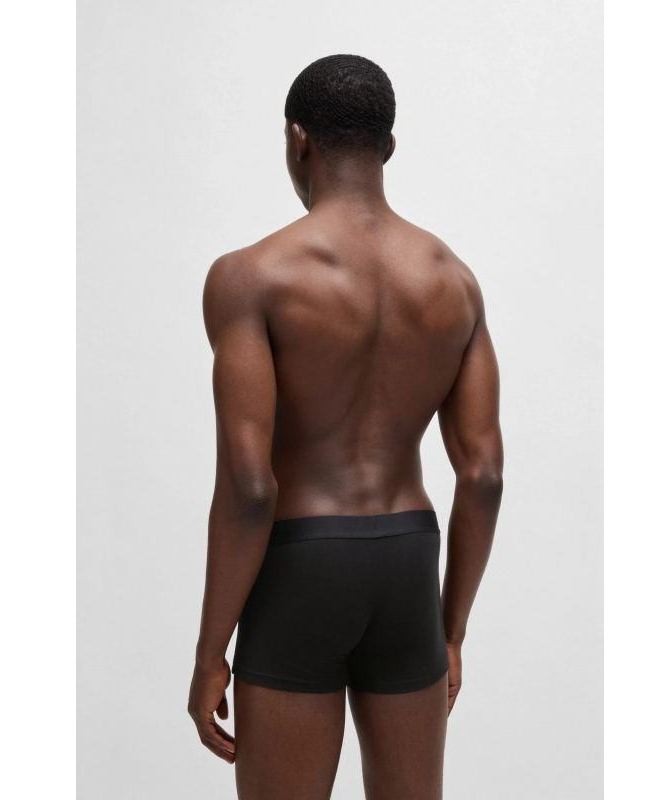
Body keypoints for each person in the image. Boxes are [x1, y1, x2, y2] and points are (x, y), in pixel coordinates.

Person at [188, 54, 503, 800]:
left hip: (303, 565)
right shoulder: (454, 281)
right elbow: (484, 475)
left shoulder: (252, 276)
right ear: (388, 146)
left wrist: (210, 652)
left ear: (298, 139)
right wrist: (449, 631)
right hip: (407, 565)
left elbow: (251, 485)